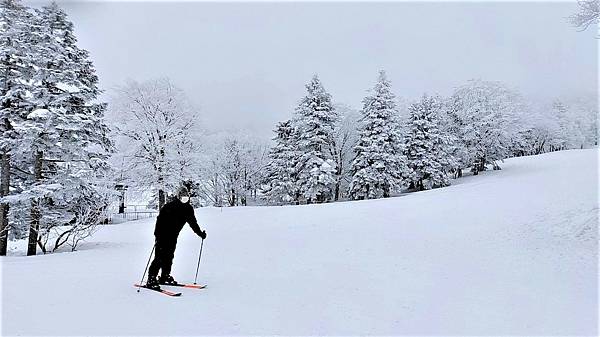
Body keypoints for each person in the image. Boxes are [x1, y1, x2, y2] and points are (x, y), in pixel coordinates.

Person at [145, 186, 206, 289]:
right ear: (178, 196)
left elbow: (193, 223)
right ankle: (151, 278)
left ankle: (165, 276)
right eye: (183, 196)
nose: (185, 198)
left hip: (173, 236)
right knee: (159, 257)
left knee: (169, 257)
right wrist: (157, 235)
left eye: (186, 196)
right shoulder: (169, 207)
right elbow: (159, 221)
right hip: (162, 235)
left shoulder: (188, 209)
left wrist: (200, 233)